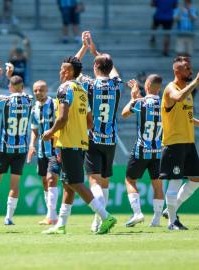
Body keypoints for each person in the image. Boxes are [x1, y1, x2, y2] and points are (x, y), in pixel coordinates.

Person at [41, 57, 117, 235]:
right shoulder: (82, 91)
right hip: (81, 143)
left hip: (68, 143)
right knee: (68, 185)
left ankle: (106, 216)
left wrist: (50, 133)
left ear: (68, 72)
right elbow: (90, 122)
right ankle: (61, 224)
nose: (60, 72)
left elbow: (62, 118)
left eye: (63, 69)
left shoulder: (64, 88)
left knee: (75, 183)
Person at [76, 32, 123, 233]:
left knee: (93, 180)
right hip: (111, 138)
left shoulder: (89, 84)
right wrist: (96, 51)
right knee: (104, 181)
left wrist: (85, 48)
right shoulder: (116, 84)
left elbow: (72, 67)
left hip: (93, 138)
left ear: (95, 67)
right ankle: (98, 220)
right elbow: (113, 71)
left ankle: (102, 218)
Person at [0, 74, 33, 226]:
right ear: (22, 87)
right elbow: (23, 92)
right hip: (21, 148)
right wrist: (13, 78)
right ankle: (8, 218)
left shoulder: (5, 101)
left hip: (4, 147)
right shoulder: (29, 100)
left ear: (10, 87)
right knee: (14, 184)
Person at [159, 56, 199, 230]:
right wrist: (196, 81)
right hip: (174, 143)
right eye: (187, 68)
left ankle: (170, 210)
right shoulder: (171, 89)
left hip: (188, 143)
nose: (190, 71)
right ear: (177, 71)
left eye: (190, 68)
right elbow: (179, 98)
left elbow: (188, 117)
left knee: (196, 180)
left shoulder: (187, 94)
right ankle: (172, 222)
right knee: (175, 181)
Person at [121, 76, 164, 227]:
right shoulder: (165, 103)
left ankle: (137, 213)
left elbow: (124, 113)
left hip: (141, 150)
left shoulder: (140, 103)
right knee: (157, 185)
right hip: (158, 151)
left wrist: (133, 97)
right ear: (159, 88)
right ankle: (157, 219)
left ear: (146, 85)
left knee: (130, 180)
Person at [27, 80, 61, 225]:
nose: (37, 93)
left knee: (51, 179)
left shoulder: (55, 104)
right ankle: (51, 215)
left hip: (56, 149)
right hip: (42, 151)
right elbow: (34, 129)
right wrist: (31, 145)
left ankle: (54, 214)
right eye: (35, 90)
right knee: (44, 181)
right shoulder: (34, 108)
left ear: (46, 90)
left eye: (41, 90)